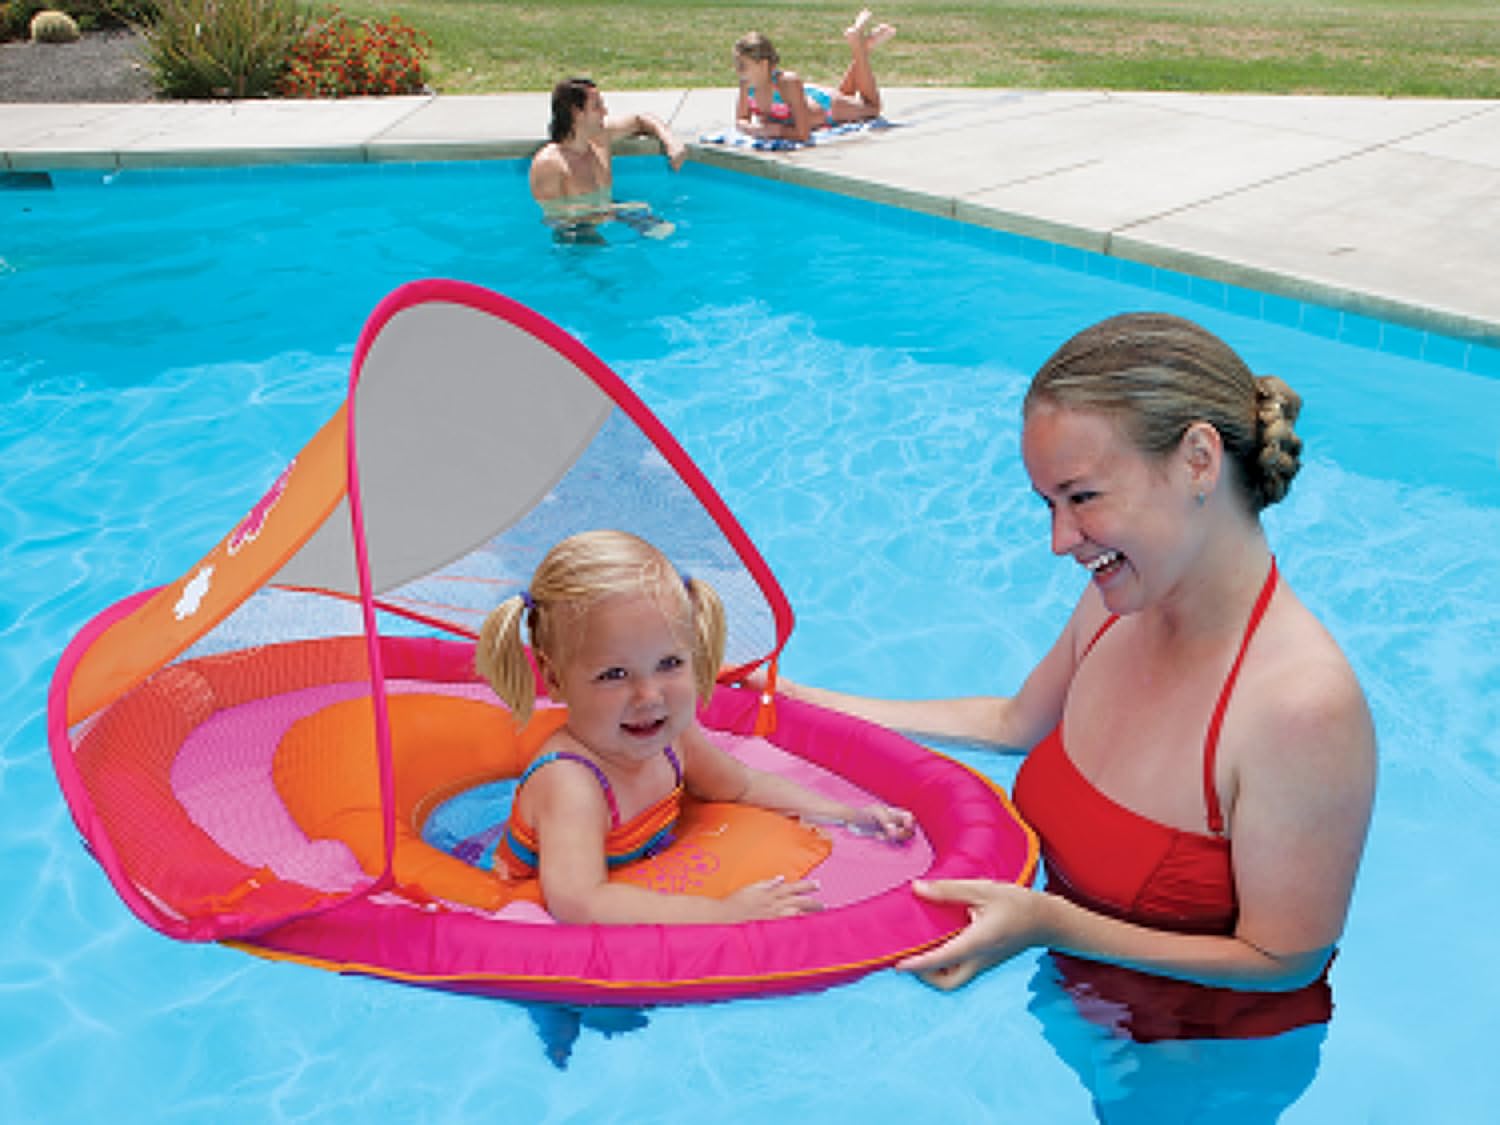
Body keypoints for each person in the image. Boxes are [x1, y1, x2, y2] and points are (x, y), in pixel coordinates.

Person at [768, 313, 1377, 1042]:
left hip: (1194, 1066)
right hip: (1068, 993)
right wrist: (799, 701)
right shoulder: (1118, 601)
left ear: (1198, 460)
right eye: (1048, 505)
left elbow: (1285, 961)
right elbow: (1010, 725)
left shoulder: (1298, 708)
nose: (1061, 542)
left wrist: (1051, 923)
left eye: (1082, 497)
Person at [474, 529, 914, 926]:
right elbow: (580, 904)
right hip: (526, 901)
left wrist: (847, 816)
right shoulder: (571, 783)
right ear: (553, 678)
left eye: (669, 664)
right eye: (613, 674)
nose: (649, 697)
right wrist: (721, 913)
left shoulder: (672, 737)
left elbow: (739, 786)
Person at [528, 76, 686, 240]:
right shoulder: (549, 164)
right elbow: (555, 218)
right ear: (576, 112)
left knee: (667, 233)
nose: (605, 112)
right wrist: (618, 210)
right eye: (597, 106)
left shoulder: (600, 138)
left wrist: (671, 142)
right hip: (576, 234)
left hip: (610, 214)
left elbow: (640, 120)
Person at [734, 9, 896, 144]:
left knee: (872, 108)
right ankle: (863, 47)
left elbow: (803, 134)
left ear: (763, 64)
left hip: (827, 107)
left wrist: (774, 130)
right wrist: (752, 128)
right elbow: (741, 120)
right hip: (808, 101)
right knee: (847, 95)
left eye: (743, 66)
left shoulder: (787, 83)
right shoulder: (747, 84)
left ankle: (858, 44)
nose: (738, 71)